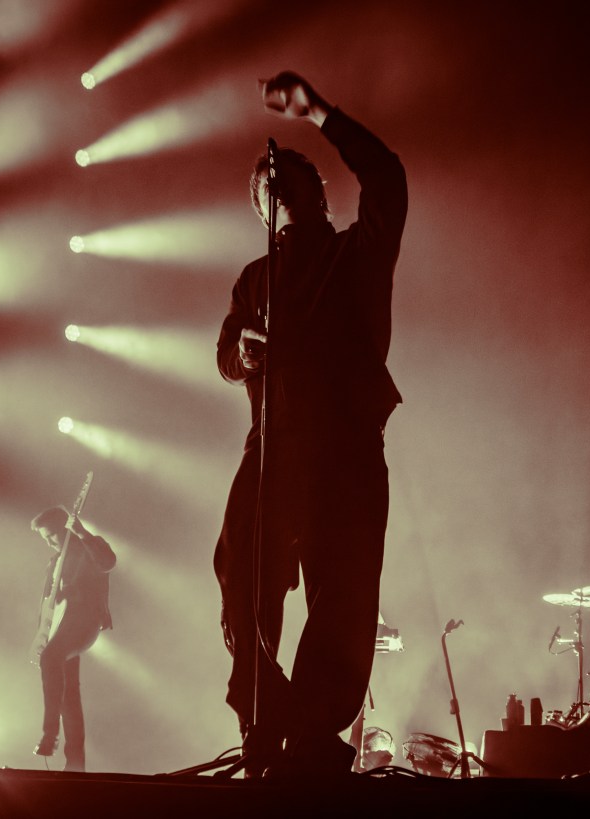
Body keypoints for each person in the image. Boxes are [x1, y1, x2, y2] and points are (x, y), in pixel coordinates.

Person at [213, 70, 407, 778]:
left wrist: (318, 113)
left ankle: (314, 739)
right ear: (258, 204)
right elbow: (224, 353)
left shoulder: (357, 254)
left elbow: (387, 175)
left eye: (290, 173)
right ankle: (267, 722)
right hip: (271, 449)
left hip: (347, 451)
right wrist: (241, 351)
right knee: (239, 575)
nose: (277, 182)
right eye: (267, 181)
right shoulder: (254, 277)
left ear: (319, 190)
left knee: (344, 593)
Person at [28, 505, 116, 772]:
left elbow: (107, 562)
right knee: (68, 693)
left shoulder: (88, 546)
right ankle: (75, 762)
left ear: (63, 528)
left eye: (52, 535)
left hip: (85, 620)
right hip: (60, 627)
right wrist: (41, 633)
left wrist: (82, 533)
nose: (48, 542)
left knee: (52, 658)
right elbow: (47, 603)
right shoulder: (54, 562)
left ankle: (49, 733)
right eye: (44, 538)